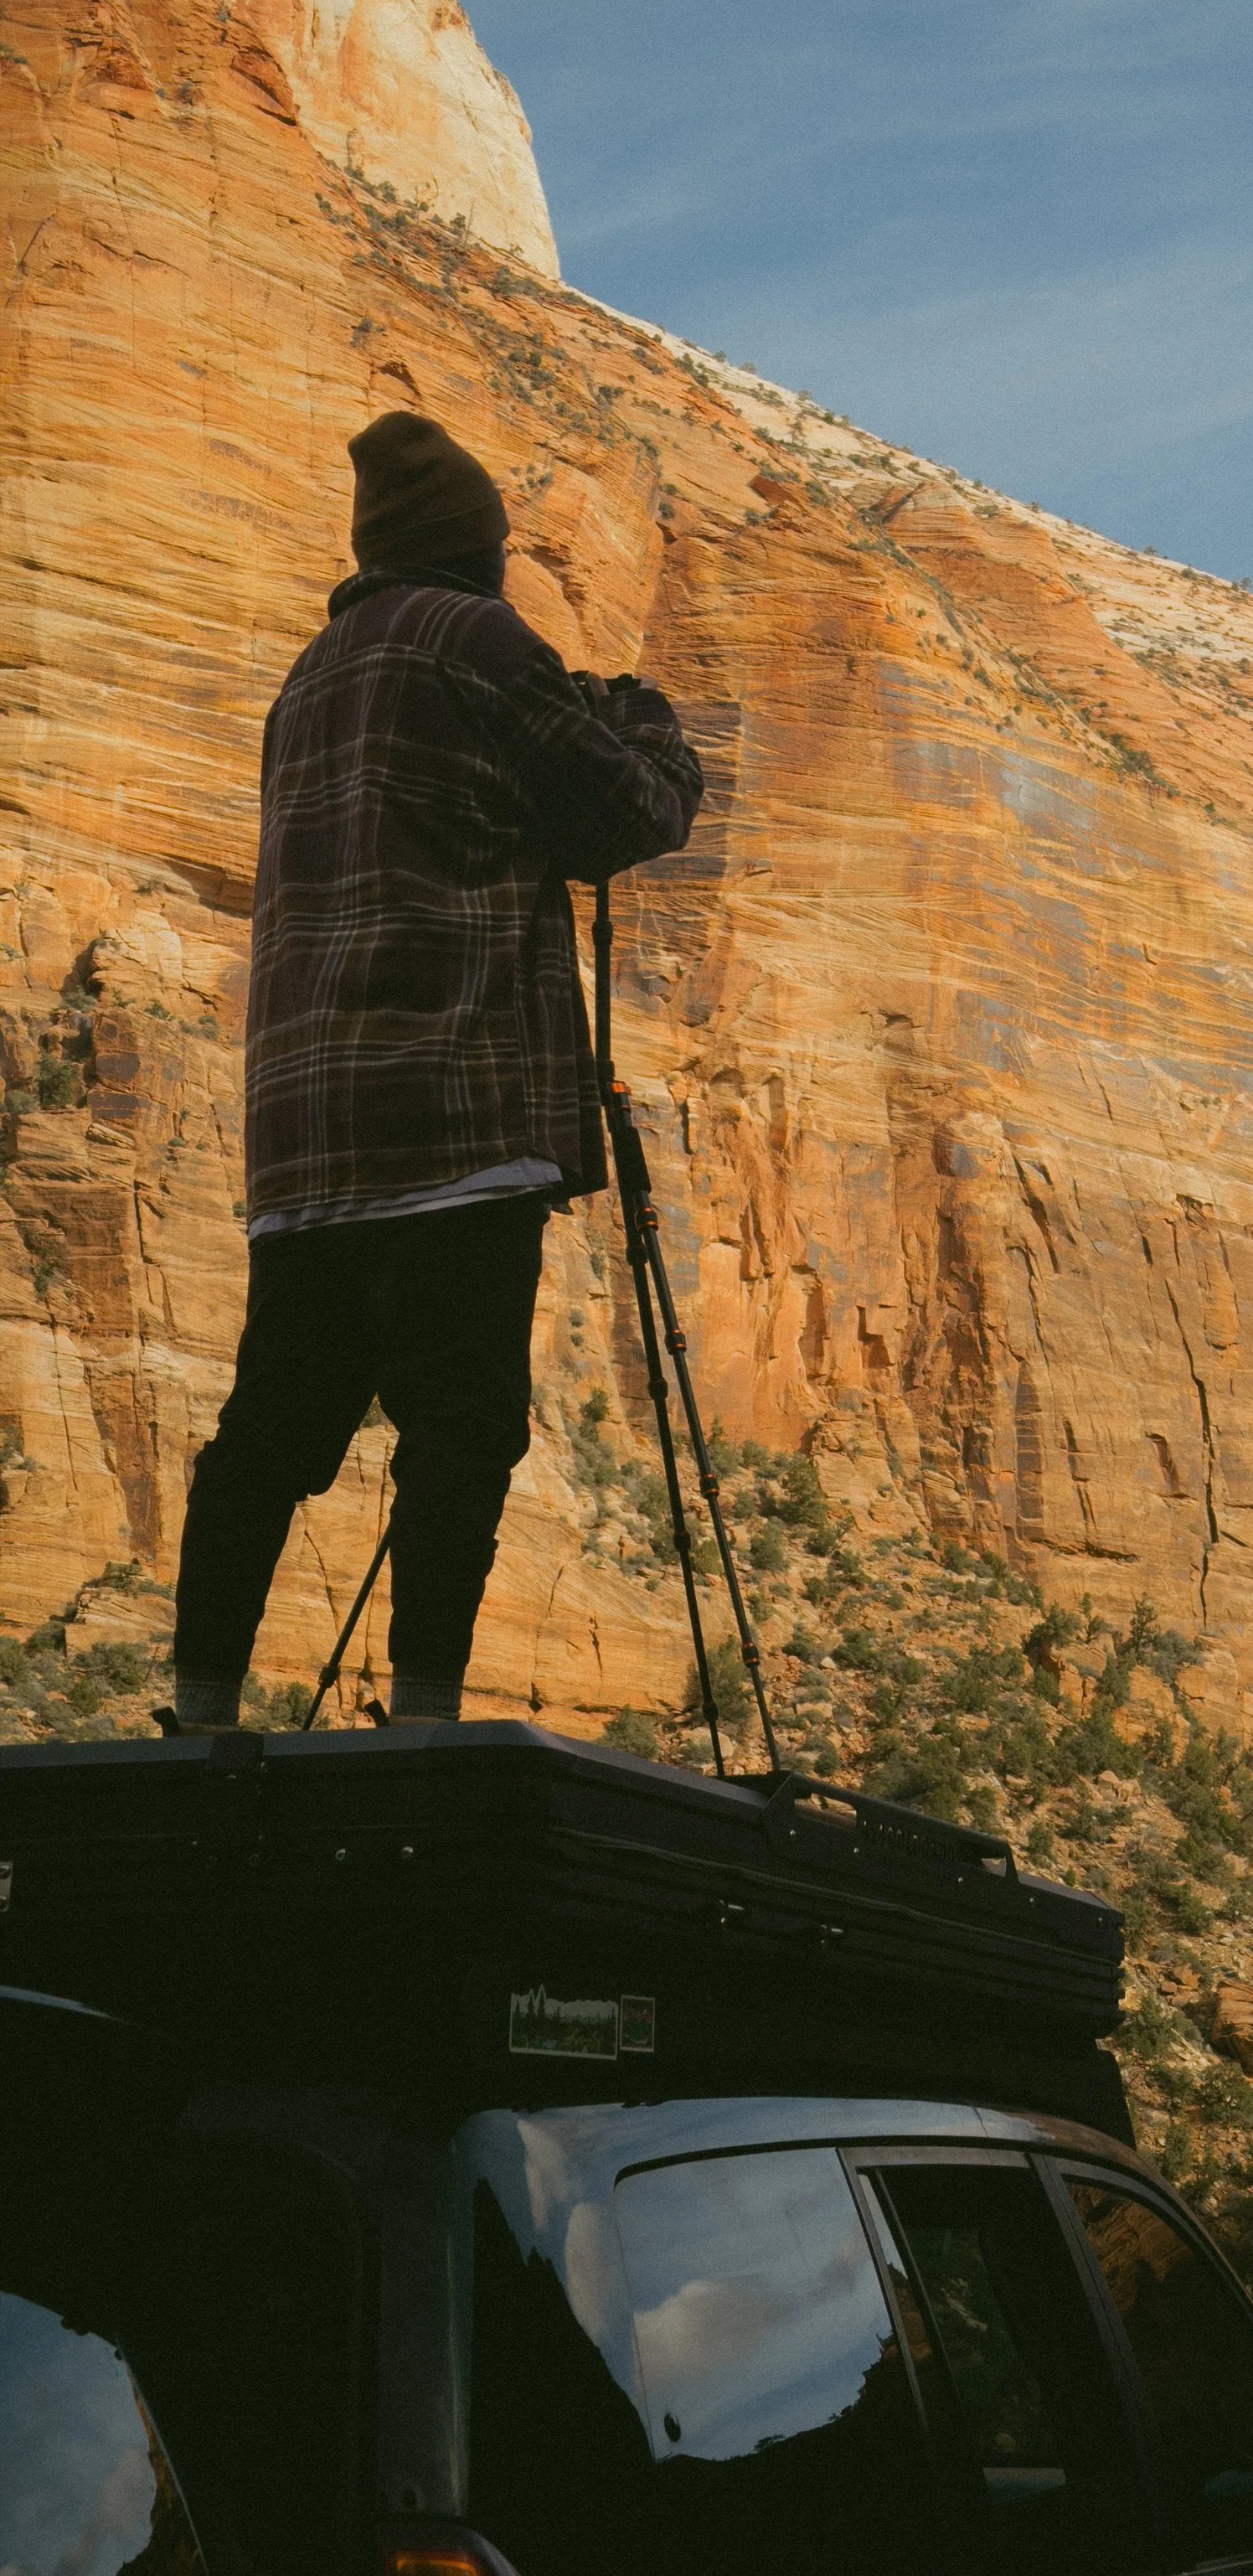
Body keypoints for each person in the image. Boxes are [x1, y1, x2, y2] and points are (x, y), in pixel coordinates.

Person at [164, 412, 703, 1729]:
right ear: (472, 546)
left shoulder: (313, 672)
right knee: (461, 1431)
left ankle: (200, 1710)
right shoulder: (474, 640)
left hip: (308, 1143)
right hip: (456, 1117)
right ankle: (421, 1723)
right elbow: (628, 814)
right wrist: (654, 724)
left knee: (270, 1436)